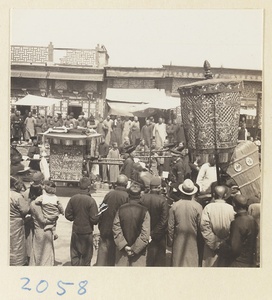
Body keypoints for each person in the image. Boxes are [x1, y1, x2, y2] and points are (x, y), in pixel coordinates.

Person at [113, 181, 150, 266]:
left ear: (128, 194)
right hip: (139, 252)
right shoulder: (145, 211)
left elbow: (116, 228)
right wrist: (134, 249)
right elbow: (145, 234)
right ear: (140, 195)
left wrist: (124, 245)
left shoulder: (121, 209)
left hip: (122, 250)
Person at [167, 179, 203, 267]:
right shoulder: (198, 207)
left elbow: (170, 227)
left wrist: (170, 242)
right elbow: (201, 226)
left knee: (177, 263)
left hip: (178, 240)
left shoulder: (175, 206)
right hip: (193, 240)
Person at [65, 177, 99, 266]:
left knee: (75, 255)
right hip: (87, 232)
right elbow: (94, 219)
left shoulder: (73, 198)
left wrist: (76, 218)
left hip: (76, 230)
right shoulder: (91, 201)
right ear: (89, 187)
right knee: (86, 257)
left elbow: (68, 215)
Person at [96, 175, 129, 266]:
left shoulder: (109, 194)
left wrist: (100, 225)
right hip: (117, 232)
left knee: (102, 256)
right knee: (114, 258)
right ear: (126, 184)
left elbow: (101, 210)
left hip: (105, 228)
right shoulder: (126, 197)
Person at [218, 195, 258, 267]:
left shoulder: (236, 222)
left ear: (234, 204)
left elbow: (234, 248)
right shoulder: (252, 220)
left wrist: (222, 246)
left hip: (239, 262)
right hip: (251, 260)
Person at [200, 185, 235, 267]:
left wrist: (215, 244)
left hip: (210, 247)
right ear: (225, 195)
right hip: (226, 247)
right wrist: (225, 243)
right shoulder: (231, 209)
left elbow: (204, 227)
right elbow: (233, 228)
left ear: (214, 195)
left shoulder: (208, 208)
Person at [140, 177, 169, 266]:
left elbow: (140, 216)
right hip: (159, 236)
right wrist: (154, 233)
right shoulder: (163, 200)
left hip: (144, 233)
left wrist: (147, 233)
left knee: (146, 260)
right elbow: (164, 220)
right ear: (159, 187)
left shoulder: (143, 198)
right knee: (158, 261)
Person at [10, 177, 30, 266]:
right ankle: (17, 262)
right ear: (15, 185)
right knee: (17, 244)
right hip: (16, 223)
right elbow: (25, 210)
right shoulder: (17, 196)